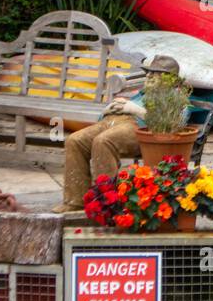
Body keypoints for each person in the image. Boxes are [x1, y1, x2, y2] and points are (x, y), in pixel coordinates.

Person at [61, 55, 186, 212]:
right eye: (148, 73)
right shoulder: (143, 94)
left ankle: (107, 203)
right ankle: (74, 201)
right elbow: (116, 111)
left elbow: (171, 123)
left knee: (103, 142)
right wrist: (107, 111)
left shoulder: (175, 97)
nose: (148, 76)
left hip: (139, 128)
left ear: (170, 79)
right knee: (74, 140)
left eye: (154, 73)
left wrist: (134, 109)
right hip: (111, 121)